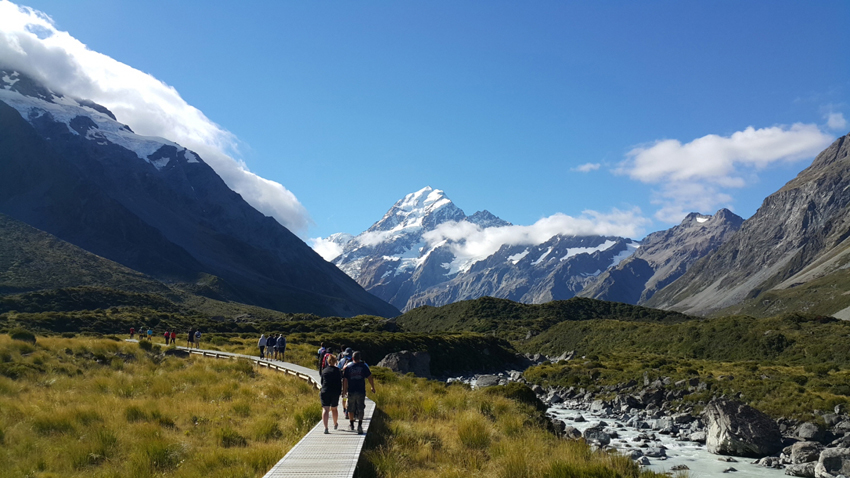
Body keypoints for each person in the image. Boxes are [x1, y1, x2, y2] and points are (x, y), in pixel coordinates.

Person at [342, 351, 375, 435]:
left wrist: (344, 391)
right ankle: (360, 425)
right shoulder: (363, 366)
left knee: (350, 408)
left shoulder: (348, 367)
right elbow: (370, 377)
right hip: (361, 390)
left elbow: (345, 380)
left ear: (352, 358)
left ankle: (351, 424)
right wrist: (372, 387)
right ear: (360, 358)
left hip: (351, 390)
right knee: (361, 408)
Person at [320, 354, 342, 434]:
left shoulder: (324, 370)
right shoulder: (338, 371)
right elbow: (339, 382)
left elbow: (322, 382)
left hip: (325, 391)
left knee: (325, 409)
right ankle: (335, 424)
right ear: (336, 361)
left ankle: (326, 428)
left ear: (328, 361)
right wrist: (340, 392)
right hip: (335, 392)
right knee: (334, 409)